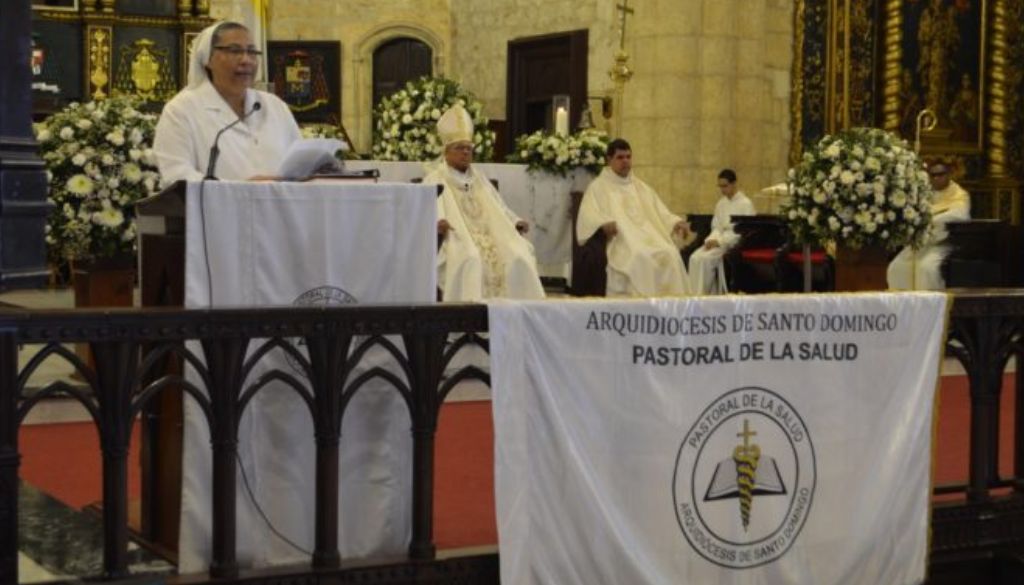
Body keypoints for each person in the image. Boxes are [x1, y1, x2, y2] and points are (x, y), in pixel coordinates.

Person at [153, 21, 301, 186]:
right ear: (207, 58)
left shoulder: (274, 106)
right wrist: (243, 190)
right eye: (234, 50)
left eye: (252, 51)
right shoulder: (182, 109)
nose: (246, 60)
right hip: (216, 211)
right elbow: (176, 176)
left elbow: (301, 165)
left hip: (278, 210)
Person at [423, 104, 545, 301]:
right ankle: (469, 323)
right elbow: (429, 211)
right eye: (459, 148)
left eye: (468, 148)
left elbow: (499, 207)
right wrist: (438, 223)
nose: (465, 153)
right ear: (446, 152)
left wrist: (514, 222)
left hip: (493, 236)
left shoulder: (479, 178)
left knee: (518, 255)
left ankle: (519, 314)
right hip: (458, 237)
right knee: (471, 258)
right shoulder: (435, 178)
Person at [576, 138, 694, 296]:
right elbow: (588, 214)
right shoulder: (598, 187)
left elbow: (661, 212)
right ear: (609, 159)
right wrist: (602, 223)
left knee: (670, 253)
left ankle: (671, 309)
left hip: (650, 236)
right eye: (620, 157)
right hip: (623, 238)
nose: (625, 161)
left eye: (628, 157)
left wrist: (675, 222)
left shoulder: (640, 186)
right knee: (640, 257)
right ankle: (642, 310)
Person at [887, 162, 971, 290]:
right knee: (896, 267)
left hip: (943, 243)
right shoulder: (924, 193)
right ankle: (903, 308)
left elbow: (961, 215)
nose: (936, 178)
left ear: (949, 174)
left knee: (926, 269)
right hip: (921, 243)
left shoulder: (959, 194)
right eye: (933, 175)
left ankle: (930, 308)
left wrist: (931, 219)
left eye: (940, 174)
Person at [688, 169, 756, 294]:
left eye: (725, 186)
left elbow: (744, 231)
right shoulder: (721, 203)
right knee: (694, 258)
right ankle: (693, 295)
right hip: (718, 238)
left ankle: (702, 295)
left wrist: (720, 242)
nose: (722, 190)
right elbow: (716, 227)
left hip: (732, 242)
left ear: (734, 184)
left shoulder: (746, 204)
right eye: (720, 186)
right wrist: (711, 240)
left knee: (705, 260)